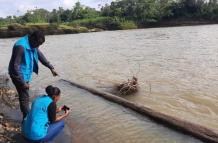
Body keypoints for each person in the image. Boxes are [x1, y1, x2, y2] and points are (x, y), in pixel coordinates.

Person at [8, 30, 58, 119]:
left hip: (25, 74)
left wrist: (50, 67)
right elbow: (15, 66)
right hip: (17, 75)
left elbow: (40, 55)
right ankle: (26, 119)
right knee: (24, 97)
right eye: (38, 44)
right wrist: (23, 83)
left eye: (40, 45)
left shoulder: (33, 44)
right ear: (33, 38)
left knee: (25, 95)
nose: (38, 46)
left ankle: (27, 116)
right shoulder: (21, 46)